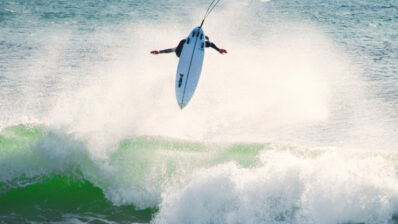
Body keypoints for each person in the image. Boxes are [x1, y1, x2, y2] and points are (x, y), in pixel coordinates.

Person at [150, 36, 227, 57]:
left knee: (207, 43)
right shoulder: (185, 42)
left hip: (189, 52)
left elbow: (210, 44)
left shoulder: (202, 43)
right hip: (180, 53)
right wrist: (159, 52)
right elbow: (172, 49)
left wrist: (218, 49)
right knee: (182, 42)